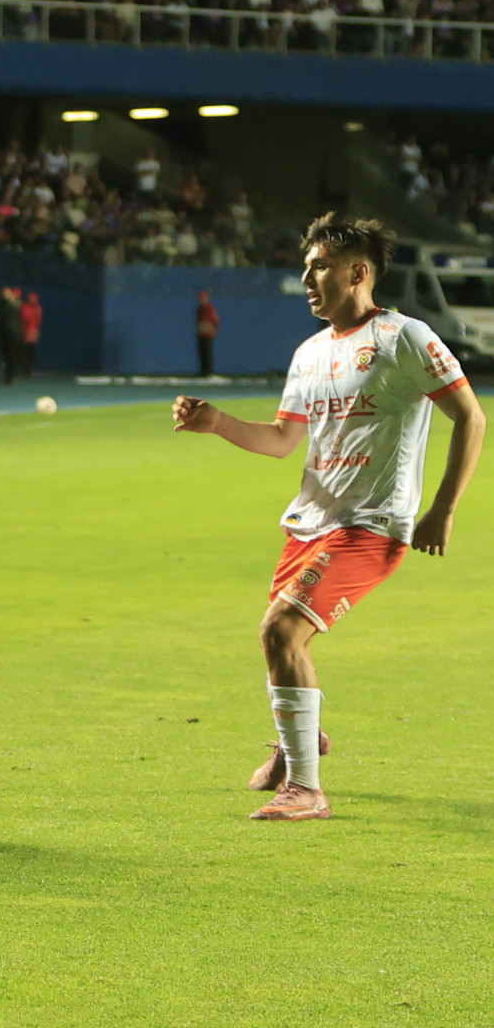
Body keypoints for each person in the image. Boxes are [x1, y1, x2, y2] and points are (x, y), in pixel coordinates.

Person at [173, 213, 484, 822]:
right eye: (308, 265)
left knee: (281, 630)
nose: (307, 277)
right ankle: (300, 747)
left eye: (320, 266)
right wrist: (217, 424)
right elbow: (283, 440)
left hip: (372, 524)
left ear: (359, 272)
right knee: (282, 639)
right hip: (311, 522)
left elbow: (470, 417)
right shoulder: (310, 352)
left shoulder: (404, 337)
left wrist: (442, 510)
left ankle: (307, 791)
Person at [0, 286, 25, 385]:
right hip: (3, 333)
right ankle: (6, 374)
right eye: (5, 292)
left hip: (14, 334)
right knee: (4, 355)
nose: (7, 294)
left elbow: (20, 318)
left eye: (9, 293)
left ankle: (10, 376)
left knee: (11, 355)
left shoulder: (16, 305)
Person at [196, 290, 220, 377]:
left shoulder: (210, 309)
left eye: (203, 298)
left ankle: (208, 373)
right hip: (201, 335)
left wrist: (210, 329)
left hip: (208, 335)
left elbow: (216, 322)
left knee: (207, 354)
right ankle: (203, 372)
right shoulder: (199, 309)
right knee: (201, 353)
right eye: (200, 298)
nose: (201, 300)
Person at [19, 292, 43, 380]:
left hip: (32, 334)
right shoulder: (25, 307)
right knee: (23, 353)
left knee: (30, 353)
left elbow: (37, 322)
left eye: (35, 298)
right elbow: (23, 319)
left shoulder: (38, 309)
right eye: (31, 298)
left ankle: (29, 371)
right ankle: (23, 371)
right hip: (23, 333)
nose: (33, 299)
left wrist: (36, 332)